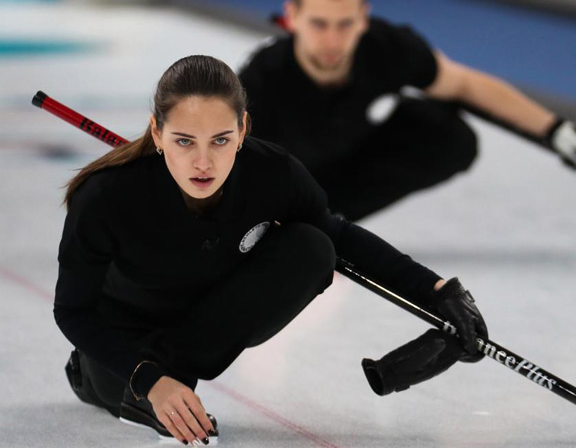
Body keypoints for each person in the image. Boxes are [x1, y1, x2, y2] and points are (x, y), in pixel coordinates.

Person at [54, 55, 488, 445]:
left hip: (201, 323)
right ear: (157, 131)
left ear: (242, 130)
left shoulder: (271, 172)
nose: (203, 163)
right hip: (123, 344)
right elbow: (73, 311)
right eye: (184, 141)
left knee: (313, 246)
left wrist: (437, 291)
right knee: (125, 381)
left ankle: (177, 373)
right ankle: (148, 390)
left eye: (220, 140)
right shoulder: (106, 197)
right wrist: (149, 379)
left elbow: (339, 236)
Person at [238, 0, 576, 221]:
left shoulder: (387, 46)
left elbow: (468, 85)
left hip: (345, 169)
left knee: (450, 135)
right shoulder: (261, 79)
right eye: (320, 24)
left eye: (346, 24)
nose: (333, 40)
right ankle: (305, 221)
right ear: (292, 17)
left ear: (363, 18)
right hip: (286, 185)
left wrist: (555, 130)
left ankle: (331, 218)